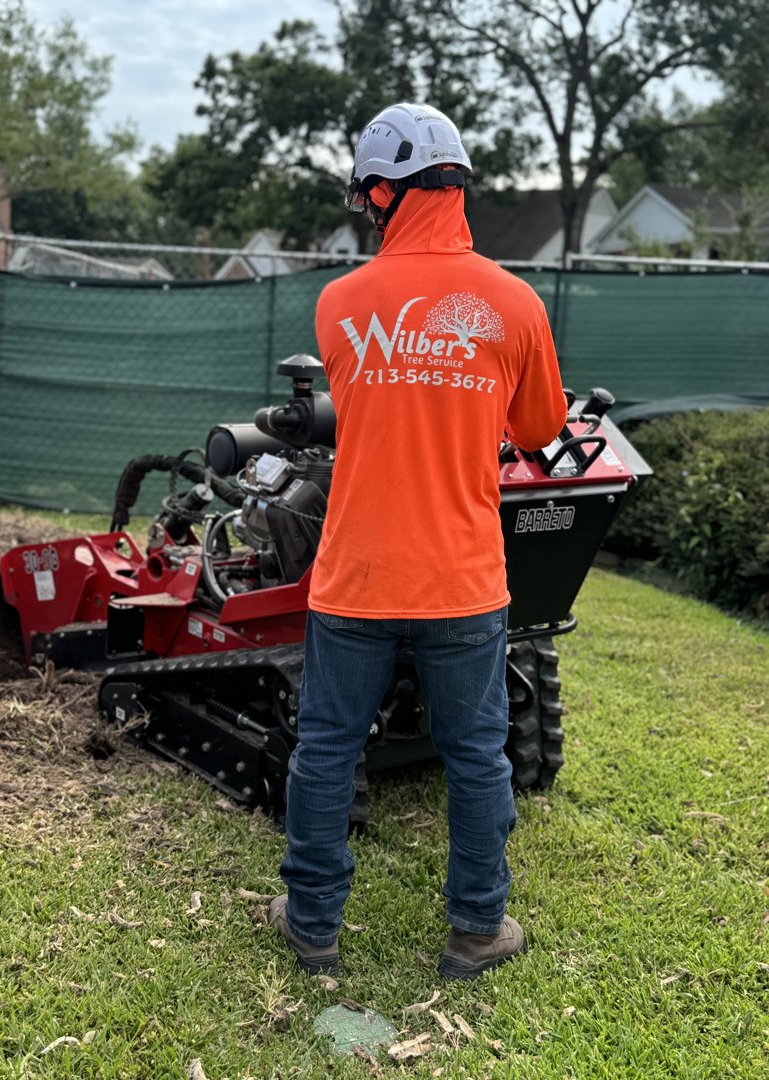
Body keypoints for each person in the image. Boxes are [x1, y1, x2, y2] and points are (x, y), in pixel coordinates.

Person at [268, 102, 567, 981]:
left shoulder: (339, 303)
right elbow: (539, 427)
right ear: (458, 184)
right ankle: (476, 930)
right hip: (463, 580)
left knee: (328, 750)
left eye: (367, 195)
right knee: (475, 756)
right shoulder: (515, 303)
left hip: (355, 575)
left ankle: (312, 926)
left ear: (381, 192)